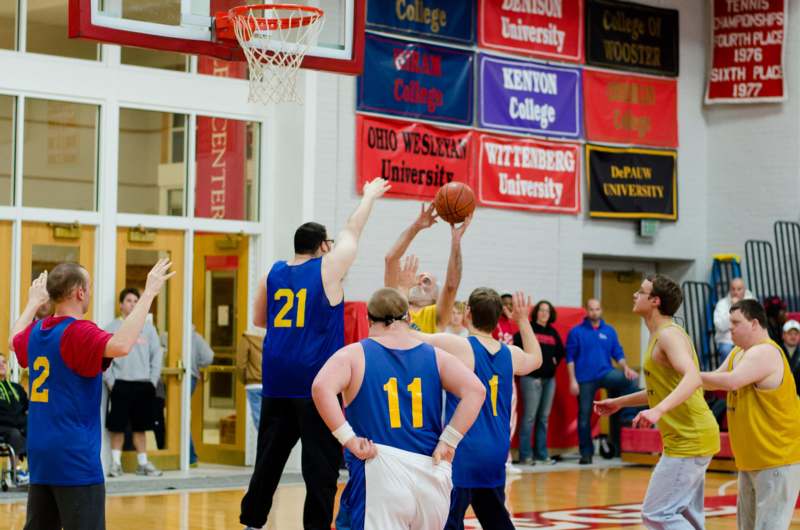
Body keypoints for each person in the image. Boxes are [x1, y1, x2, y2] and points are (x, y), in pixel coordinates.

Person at [239, 178, 390, 530]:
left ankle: (252, 523)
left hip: (277, 381)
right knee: (320, 468)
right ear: (323, 245)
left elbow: (259, 320)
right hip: (316, 385)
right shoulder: (327, 268)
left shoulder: (272, 272)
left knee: (268, 463)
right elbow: (353, 230)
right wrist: (369, 195)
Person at [9, 260, 173, 530]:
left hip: (41, 454)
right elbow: (122, 345)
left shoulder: (38, 331)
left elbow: (13, 341)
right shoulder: (79, 331)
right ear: (80, 292)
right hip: (74, 458)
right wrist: (149, 293)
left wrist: (32, 303)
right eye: (89, 286)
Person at [311, 287, 486, 530]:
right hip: (431, 473)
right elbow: (476, 391)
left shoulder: (354, 354)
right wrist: (449, 440)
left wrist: (348, 439)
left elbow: (320, 387)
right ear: (409, 318)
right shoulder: (436, 355)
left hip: (380, 471)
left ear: (368, 319)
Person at [409, 289, 542, 530]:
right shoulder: (510, 354)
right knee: (495, 518)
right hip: (496, 451)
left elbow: (412, 337)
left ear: (468, 312)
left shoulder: (460, 346)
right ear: (498, 318)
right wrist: (523, 320)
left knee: (449, 521)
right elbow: (536, 358)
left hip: (463, 450)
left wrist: (406, 302)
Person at [594, 275, 720, 529]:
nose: (635, 295)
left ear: (655, 301)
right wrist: (619, 402)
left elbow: (693, 377)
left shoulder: (668, 336)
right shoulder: (659, 335)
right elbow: (658, 390)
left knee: (657, 514)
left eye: (641, 292)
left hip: (690, 437)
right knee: (684, 514)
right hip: (692, 436)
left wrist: (659, 410)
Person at [701, 299, 800, 530]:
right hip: (751, 460)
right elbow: (712, 379)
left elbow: (731, 381)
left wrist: (687, 373)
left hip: (777, 460)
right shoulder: (738, 352)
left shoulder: (765, 351)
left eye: (736, 323)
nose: (730, 328)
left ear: (754, 323)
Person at [566, 299, 640, 464]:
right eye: (591, 309)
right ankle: (586, 453)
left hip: (606, 373)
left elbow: (617, 353)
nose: (594, 312)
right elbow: (570, 358)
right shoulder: (576, 332)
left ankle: (626, 420)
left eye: (597, 309)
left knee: (630, 380)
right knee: (584, 415)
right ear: (587, 311)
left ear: (601, 310)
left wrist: (626, 368)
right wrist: (572, 380)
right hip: (585, 378)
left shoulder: (609, 331)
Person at [104, 287, 164, 477]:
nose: (133, 304)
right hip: (120, 384)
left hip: (143, 384)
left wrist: (152, 381)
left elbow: (156, 355)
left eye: (136, 301)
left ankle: (143, 464)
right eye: (129, 301)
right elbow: (104, 357)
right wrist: (111, 382)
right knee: (117, 427)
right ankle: (115, 464)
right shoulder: (112, 328)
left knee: (141, 427)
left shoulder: (148, 328)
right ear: (121, 305)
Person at [384, 203, 470, 333]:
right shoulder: (396, 302)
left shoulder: (435, 314)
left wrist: (456, 241)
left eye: (426, 280)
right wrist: (416, 227)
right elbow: (390, 260)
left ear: (435, 294)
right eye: (417, 278)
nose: (419, 283)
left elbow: (451, 286)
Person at [514, 300, 565, 465]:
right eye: (541, 310)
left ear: (550, 315)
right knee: (529, 417)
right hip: (531, 379)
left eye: (547, 311)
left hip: (549, 380)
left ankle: (541, 455)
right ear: (536, 312)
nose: (544, 313)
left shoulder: (552, 332)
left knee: (543, 418)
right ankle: (525, 455)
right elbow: (516, 343)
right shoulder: (529, 328)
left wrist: (555, 360)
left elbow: (561, 351)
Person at [0, 352, 28, 480]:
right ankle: (17, 471)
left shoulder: (16, 388)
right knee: (15, 433)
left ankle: (35, 470)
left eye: (4, 362)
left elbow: (28, 406)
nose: (2, 365)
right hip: (4, 426)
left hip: (18, 424)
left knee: (36, 430)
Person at [189, 327, 214, 466]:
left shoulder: (191, 336)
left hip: (187, 377)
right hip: (191, 377)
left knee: (180, 418)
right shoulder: (195, 336)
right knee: (182, 417)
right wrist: (197, 364)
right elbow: (208, 357)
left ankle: (190, 457)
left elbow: (209, 356)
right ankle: (189, 457)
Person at [713, 278, 754, 357]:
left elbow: (754, 323)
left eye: (739, 289)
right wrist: (733, 308)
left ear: (744, 290)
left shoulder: (752, 302)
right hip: (727, 340)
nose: (736, 292)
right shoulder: (721, 304)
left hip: (748, 338)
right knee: (726, 350)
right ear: (729, 290)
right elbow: (721, 326)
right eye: (733, 289)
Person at [236, 328, 264, 428]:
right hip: (271, 384)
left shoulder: (247, 338)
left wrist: (245, 380)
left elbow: (240, 365)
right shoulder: (274, 336)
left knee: (259, 421)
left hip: (253, 384)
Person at [781, 319, 800, 397]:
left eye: (796, 333)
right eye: (790, 333)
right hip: (782, 395)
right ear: (783, 335)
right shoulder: (776, 351)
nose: (793, 336)